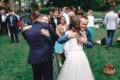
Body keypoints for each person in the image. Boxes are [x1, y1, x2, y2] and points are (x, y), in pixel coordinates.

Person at [22, 12, 59, 80]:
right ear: (39, 18)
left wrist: (23, 31)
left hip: (33, 57)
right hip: (46, 56)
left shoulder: (26, 29)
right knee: (48, 77)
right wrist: (48, 35)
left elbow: (26, 37)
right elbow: (56, 38)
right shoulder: (45, 25)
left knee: (37, 77)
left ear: (32, 19)